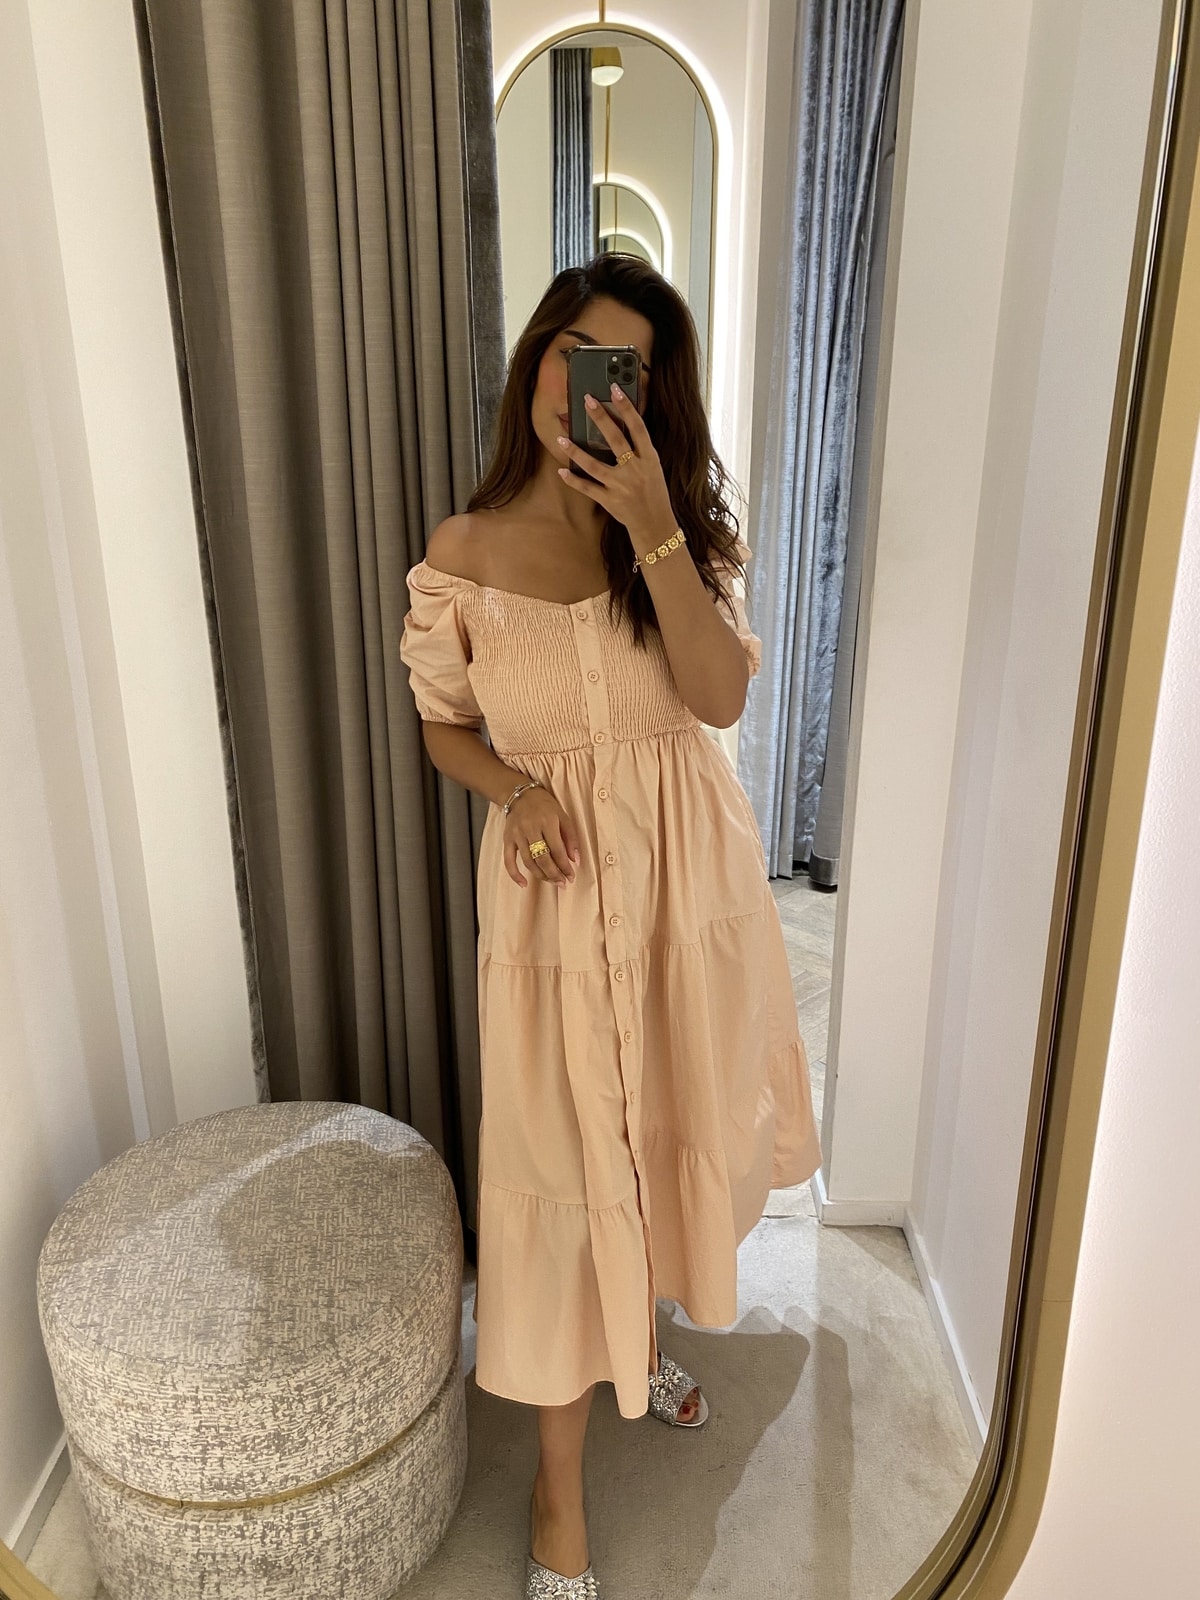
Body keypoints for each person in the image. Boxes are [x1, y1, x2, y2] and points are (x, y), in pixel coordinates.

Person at [399, 253, 821, 1599]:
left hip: (687, 900)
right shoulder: (462, 557)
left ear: (653, 397)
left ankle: (639, 1338)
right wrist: (516, 789)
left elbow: (718, 700)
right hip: (555, 904)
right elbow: (443, 726)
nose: (589, 389)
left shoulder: (677, 535)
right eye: (578, 352)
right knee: (564, 1166)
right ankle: (558, 1491)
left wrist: (652, 526)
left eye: (626, 372)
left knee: (659, 1132)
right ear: (540, 356)